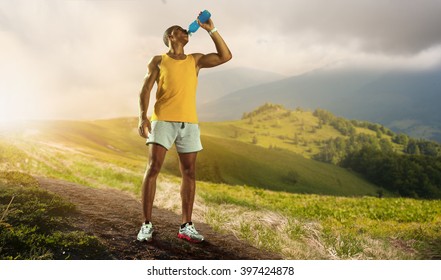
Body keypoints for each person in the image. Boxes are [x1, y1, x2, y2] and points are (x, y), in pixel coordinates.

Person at [136, 14, 232, 243]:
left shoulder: (195, 60)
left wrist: (211, 29)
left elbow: (225, 56)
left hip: (189, 123)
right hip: (163, 121)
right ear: (171, 36)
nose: (185, 32)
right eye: (180, 30)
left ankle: (186, 226)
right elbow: (145, 89)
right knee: (153, 168)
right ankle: (146, 225)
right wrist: (142, 116)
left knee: (189, 173)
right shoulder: (158, 60)